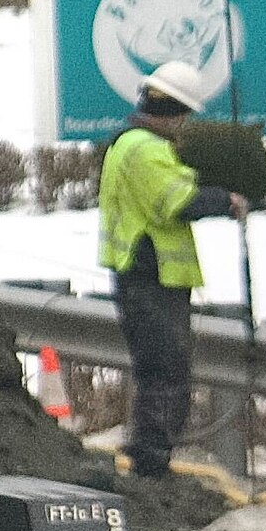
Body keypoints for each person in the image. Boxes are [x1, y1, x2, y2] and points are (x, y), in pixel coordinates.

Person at [97, 61, 249, 485]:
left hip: (145, 278)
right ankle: (151, 464)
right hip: (151, 278)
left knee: (158, 371)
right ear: (177, 110)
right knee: (166, 373)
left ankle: (151, 459)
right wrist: (225, 200)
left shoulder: (130, 145)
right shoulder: (145, 149)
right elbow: (174, 202)